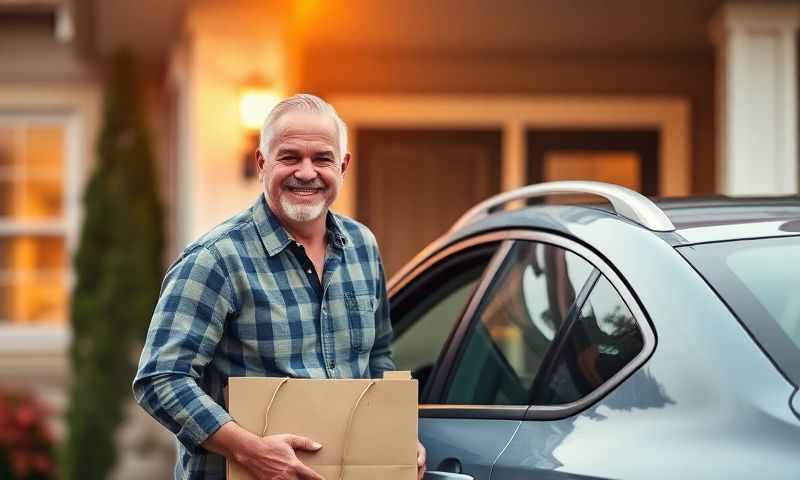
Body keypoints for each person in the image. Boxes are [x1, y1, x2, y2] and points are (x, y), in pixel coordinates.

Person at [133, 94, 426, 480]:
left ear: (343, 165)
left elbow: (378, 358)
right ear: (261, 163)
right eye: (289, 157)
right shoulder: (216, 259)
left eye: (322, 158)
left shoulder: (362, 247)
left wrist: (397, 436)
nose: (306, 173)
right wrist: (249, 450)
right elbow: (161, 379)